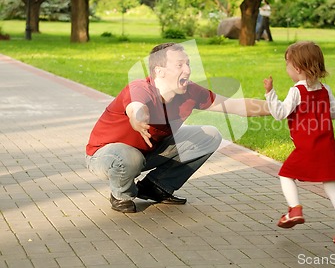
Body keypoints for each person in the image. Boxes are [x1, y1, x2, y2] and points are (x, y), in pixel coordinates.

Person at [86, 42, 270, 213]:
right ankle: (122, 195)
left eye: (188, 64)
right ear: (160, 71)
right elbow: (136, 107)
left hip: (148, 151)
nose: (188, 70)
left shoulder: (190, 91)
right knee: (129, 157)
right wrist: (138, 118)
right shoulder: (140, 88)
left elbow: (235, 105)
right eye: (180, 65)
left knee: (210, 135)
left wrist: (281, 108)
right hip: (106, 155)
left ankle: (156, 188)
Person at [263, 41, 335, 244]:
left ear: (297, 68)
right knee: (332, 187)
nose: (287, 70)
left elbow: (280, 113)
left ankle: (294, 209)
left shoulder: (297, 91)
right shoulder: (325, 89)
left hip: (307, 147)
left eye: (287, 66)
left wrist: (270, 93)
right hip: (328, 147)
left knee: (286, 175)